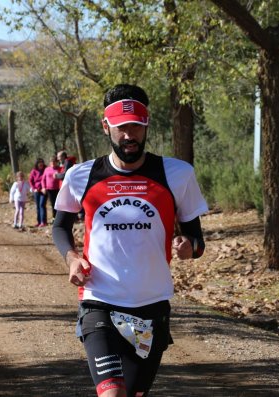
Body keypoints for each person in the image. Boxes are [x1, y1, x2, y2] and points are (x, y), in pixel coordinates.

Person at [52, 84, 208, 397]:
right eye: (122, 128)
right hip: (99, 301)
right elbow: (60, 227)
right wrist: (71, 258)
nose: (129, 135)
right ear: (106, 126)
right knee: (112, 394)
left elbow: (197, 239)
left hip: (151, 307)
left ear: (146, 125)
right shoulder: (81, 176)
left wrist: (190, 247)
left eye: (136, 126)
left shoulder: (176, 174)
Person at [29, 158, 47, 227]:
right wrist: (34, 188)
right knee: (38, 206)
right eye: (39, 163)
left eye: (42, 162)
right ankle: (39, 221)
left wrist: (44, 188)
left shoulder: (45, 170)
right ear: (37, 164)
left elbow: (46, 179)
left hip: (43, 190)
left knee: (42, 205)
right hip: (36, 191)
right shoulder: (34, 171)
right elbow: (31, 181)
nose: (41, 164)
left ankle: (43, 221)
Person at [42, 155, 61, 221]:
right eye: (51, 162)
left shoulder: (59, 169)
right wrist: (43, 187)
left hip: (58, 189)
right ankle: (54, 217)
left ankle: (60, 217)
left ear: (56, 162)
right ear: (50, 163)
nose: (53, 163)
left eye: (54, 162)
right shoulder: (47, 169)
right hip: (50, 189)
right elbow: (43, 179)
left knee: (59, 203)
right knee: (53, 204)